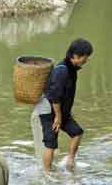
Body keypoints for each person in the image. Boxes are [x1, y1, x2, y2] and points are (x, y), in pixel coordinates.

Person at [37, 38, 93, 171]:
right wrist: (58, 116)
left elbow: (66, 94)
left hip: (61, 111)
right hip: (49, 111)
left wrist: (67, 111)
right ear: (75, 56)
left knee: (77, 132)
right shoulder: (61, 71)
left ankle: (70, 160)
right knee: (51, 144)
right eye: (86, 57)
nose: (87, 60)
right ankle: (47, 174)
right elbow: (55, 96)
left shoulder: (72, 69)